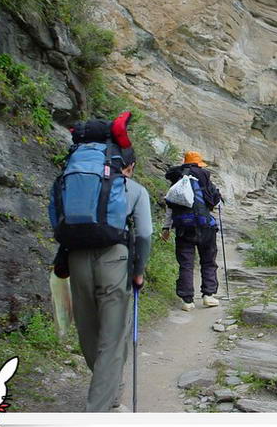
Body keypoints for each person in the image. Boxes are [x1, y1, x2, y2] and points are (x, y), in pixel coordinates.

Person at [68, 146, 153, 411]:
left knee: (88, 329)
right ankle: (99, 408)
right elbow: (144, 234)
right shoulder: (135, 190)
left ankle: (108, 384)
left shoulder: (76, 182)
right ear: (130, 166)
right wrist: (138, 271)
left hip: (76, 257)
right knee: (113, 336)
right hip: (115, 260)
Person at [163, 151, 222, 311]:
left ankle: (187, 301)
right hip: (205, 227)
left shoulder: (177, 180)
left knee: (186, 264)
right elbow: (216, 202)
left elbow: (170, 207)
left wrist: (166, 228)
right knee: (208, 261)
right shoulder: (204, 177)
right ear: (198, 164)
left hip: (183, 228)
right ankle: (208, 295)